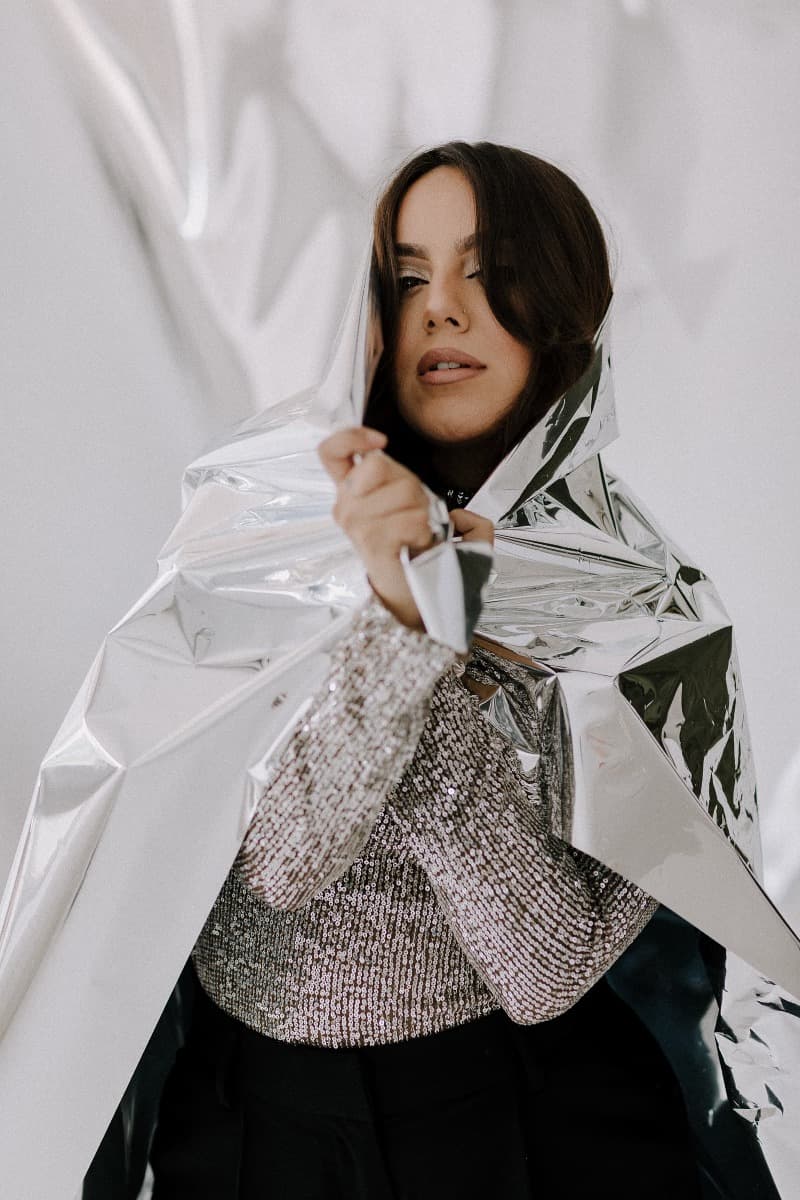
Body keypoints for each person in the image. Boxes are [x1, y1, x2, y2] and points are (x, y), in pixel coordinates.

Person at [143, 142, 708, 1199]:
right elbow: (273, 866)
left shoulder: (627, 596)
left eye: (484, 270)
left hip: (507, 1126)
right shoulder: (265, 527)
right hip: (241, 1121)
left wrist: (417, 628)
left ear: (563, 303)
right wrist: (396, 620)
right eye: (406, 279)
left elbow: (545, 966)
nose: (439, 309)